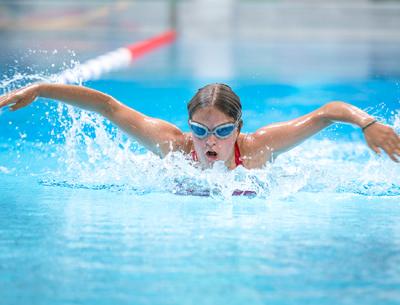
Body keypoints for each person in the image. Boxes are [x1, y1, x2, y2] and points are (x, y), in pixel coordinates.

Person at [0, 83, 399, 170]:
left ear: (238, 128)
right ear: (187, 126)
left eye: (223, 132)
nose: (211, 141)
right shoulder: (173, 146)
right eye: (201, 130)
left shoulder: (257, 148)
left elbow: (325, 112)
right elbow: (107, 105)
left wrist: (366, 123)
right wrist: (41, 90)